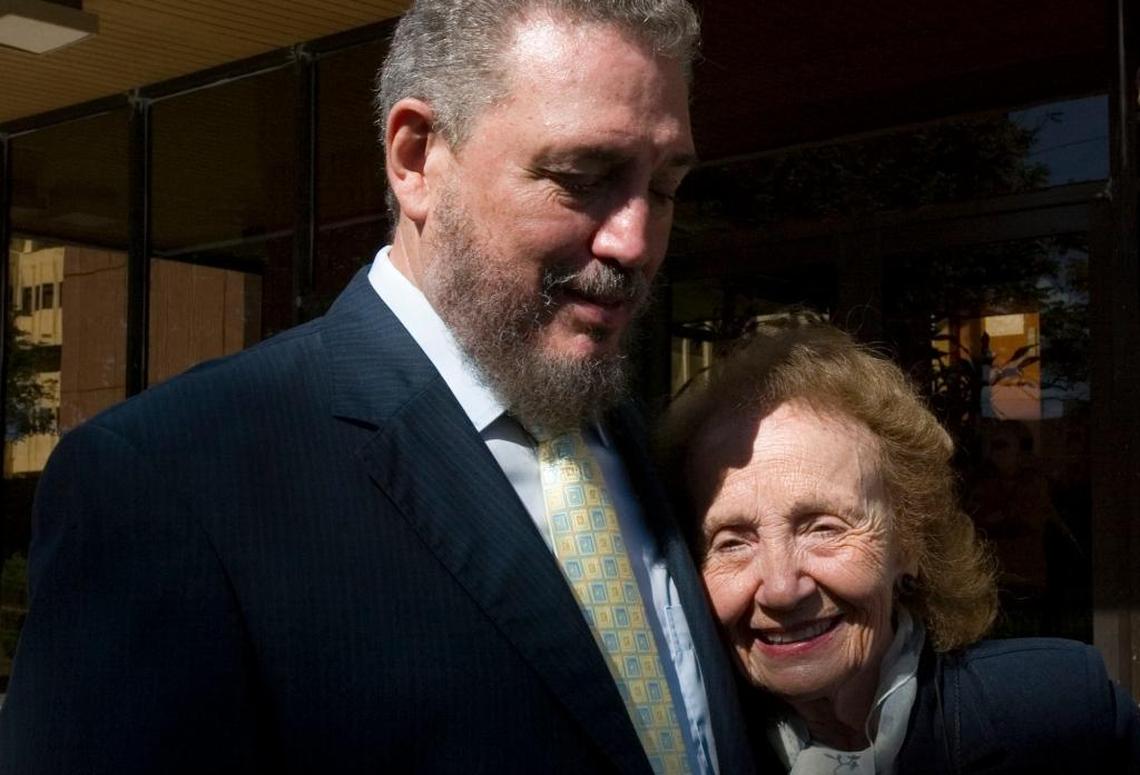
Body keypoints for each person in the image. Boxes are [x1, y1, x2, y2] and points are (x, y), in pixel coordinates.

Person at [0, 2, 756, 773]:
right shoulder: (172, 482)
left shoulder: (650, 450)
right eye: (582, 177)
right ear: (416, 157)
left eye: (663, 189)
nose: (633, 241)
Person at [658, 319, 1140, 774]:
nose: (782, 589)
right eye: (733, 542)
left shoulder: (1062, 714)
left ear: (907, 541)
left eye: (823, 528)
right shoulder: (674, 751)